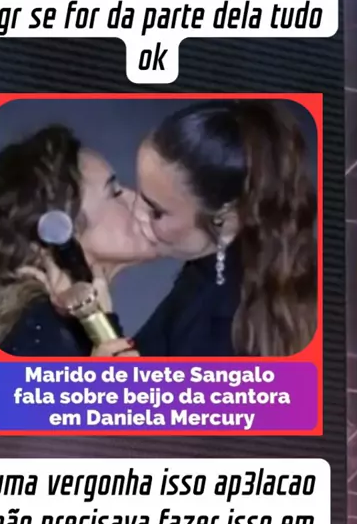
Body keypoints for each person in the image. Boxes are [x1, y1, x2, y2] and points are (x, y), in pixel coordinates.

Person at [101, 100, 317, 358]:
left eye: (156, 211)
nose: (136, 212)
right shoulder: (222, 274)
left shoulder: (217, 326)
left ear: (226, 222)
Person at [0, 125, 154, 356]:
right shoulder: (44, 339)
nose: (136, 198)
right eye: (114, 192)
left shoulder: (62, 330)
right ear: (60, 231)